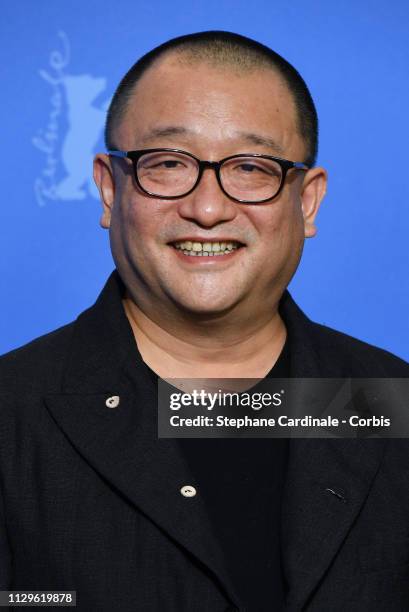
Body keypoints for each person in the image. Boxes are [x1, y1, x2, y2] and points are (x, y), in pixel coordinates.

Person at [1, 31, 408, 612]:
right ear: (109, 189)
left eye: (250, 167)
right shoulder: (12, 416)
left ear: (308, 202)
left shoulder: (391, 404)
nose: (209, 208)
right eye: (167, 163)